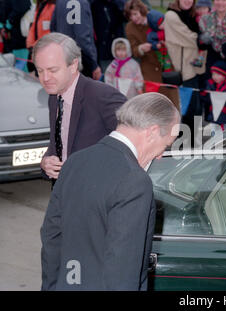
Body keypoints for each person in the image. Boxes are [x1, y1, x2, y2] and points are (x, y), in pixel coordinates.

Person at [40, 92, 181, 290]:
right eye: (166, 144)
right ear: (152, 132)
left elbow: (51, 236)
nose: (160, 156)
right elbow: (123, 267)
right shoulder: (135, 181)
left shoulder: (75, 162)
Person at [32, 33, 127, 184]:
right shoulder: (54, 96)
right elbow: (58, 142)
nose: (45, 78)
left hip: (98, 195)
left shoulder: (102, 96)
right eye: (40, 70)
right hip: (64, 193)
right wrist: (46, 162)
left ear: (73, 65)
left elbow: (136, 144)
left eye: (53, 70)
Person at [164, 0, 207, 146]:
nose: (188, 1)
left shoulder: (191, 15)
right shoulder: (171, 15)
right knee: (187, 108)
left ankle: (192, 143)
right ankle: (182, 145)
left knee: (195, 108)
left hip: (195, 67)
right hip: (183, 69)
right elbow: (188, 37)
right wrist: (202, 38)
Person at [124, 0, 179, 108]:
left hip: (167, 66)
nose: (134, 18)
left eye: (135, 14)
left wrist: (167, 43)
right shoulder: (130, 28)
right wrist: (141, 48)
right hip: (149, 69)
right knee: (151, 104)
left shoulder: (156, 18)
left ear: (142, 10)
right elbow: (134, 50)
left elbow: (172, 34)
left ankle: (175, 124)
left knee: (172, 103)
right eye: (131, 16)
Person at [50, 0, 102, 80]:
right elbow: (82, 37)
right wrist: (93, 64)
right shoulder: (82, 3)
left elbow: (53, 28)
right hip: (81, 58)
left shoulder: (60, 2)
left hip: (63, 55)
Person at [91, 0, 126, 73]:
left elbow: (124, 17)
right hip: (103, 51)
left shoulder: (117, 5)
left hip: (118, 49)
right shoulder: (94, 5)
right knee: (107, 75)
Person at [203, 60, 226, 126]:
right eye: (213, 74)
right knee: (214, 135)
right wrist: (204, 93)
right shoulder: (210, 86)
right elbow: (206, 100)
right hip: (214, 118)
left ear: (225, 75)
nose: (215, 77)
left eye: (218, 74)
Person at [190, 0, 212, 67]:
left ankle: (200, 61)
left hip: (206, 36)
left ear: (208, 9)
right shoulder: (197, 16)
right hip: (200, 35)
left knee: (202, 49)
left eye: (204, 8)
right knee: (200, 49)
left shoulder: (209, 16)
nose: (202, 10)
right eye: (199, 8)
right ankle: (199, 60)